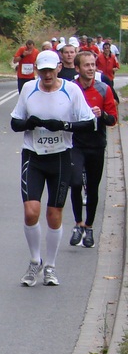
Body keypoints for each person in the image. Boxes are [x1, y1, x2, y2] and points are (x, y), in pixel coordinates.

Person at [10, 50, 97, 286]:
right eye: (42, 70)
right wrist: (29, 123)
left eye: (51, 69)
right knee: (31, 211)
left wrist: (64, 125)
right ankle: (34, 260)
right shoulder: (29, 89)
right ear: (37, 69)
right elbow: (15, 122)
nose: (47, 74)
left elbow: (90, 123)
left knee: (53, 214)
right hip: (33, 156)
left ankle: (50, 266)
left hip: (60, 157)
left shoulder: (72, 90)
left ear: (59, 68)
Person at [68, 49, 118, 248]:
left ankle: (89, 227)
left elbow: (113, 119)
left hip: (96, 144)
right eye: (86, 65)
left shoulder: (104, 89)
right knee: (75, 182)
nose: (91, 69)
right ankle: (78, 224)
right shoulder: (70, 88)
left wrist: (101, 115)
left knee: (93, 187)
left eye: (93, 65)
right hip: (75, 143)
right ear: (78, 68)